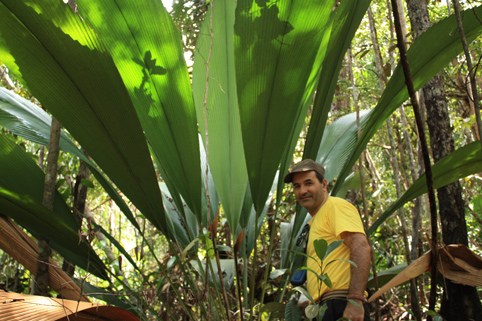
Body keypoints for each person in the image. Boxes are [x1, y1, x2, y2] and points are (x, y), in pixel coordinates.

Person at [284, 159, 371, 321]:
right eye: (297, 186)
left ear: (324, 185)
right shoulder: (315, 220)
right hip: (326, 307)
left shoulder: (335, 206)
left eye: (308, 183)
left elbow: (360, 247)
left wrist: (355, 301)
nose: (302, 191)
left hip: (341, 304)